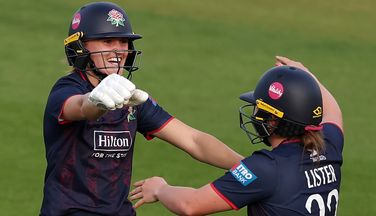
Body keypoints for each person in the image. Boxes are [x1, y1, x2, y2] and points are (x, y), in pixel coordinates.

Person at [40, 2, 243, 216]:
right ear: (79, 47)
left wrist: (249, 166)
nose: (119, 50)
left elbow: (194, 141)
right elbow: (81, 107)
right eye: (107, 41)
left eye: (124, 42)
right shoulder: (66, 89)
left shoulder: (131, 98)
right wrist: (96, 100)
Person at [130, 56, 344, 216]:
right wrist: (307, 76)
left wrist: (160, 189)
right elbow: (333, 111)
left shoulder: (265, 168)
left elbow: (191, 205)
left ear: (273, 121)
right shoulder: (329, 143)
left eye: (259, 109)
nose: (254, 115)